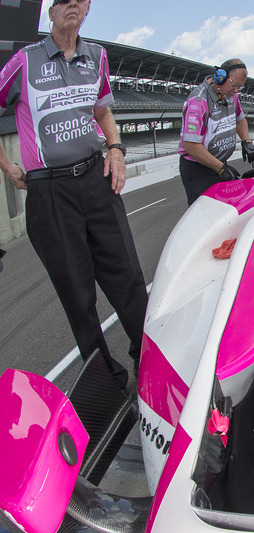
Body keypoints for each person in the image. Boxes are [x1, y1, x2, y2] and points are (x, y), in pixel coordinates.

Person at [0, 0, 148, 388]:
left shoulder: (97, 56)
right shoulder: (23, 61)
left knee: (129, 279)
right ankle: (108, 382)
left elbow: (102, 111)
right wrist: (8, 167)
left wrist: (115, 148)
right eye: (62, 1)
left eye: (78, 0)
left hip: (95, 178)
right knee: (78, 297)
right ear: (50, 13)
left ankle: (148, 358)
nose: (71, 6)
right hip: (49, 192)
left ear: (86, 9)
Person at [178, 58, 254, 205]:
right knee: (207, 212)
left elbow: (239, 120)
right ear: (219, 77)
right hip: (198, 168)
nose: (235, 91)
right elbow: (191, 146)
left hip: (217, 164)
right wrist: (221, 169)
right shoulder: (198, 102)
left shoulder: (231, 96)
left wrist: (246, 141)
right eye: (234, 85)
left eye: (239, 87)